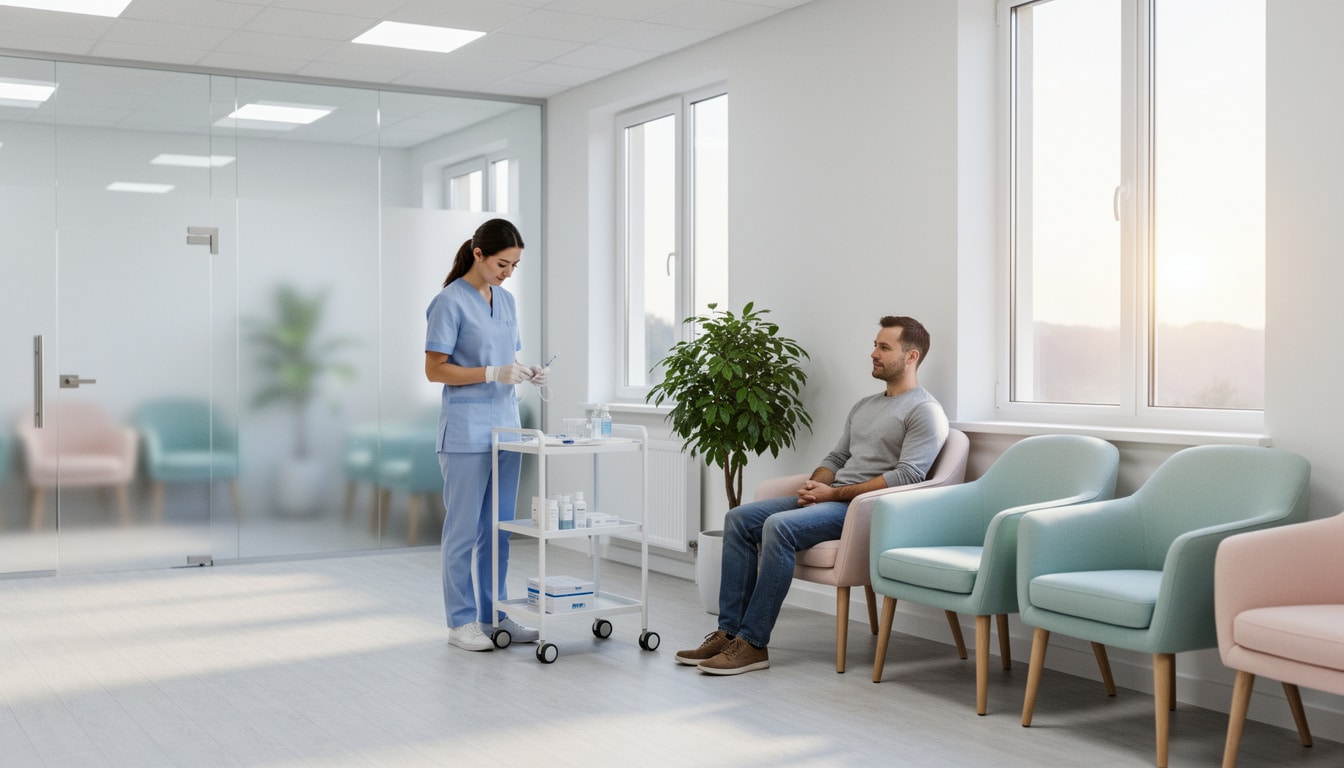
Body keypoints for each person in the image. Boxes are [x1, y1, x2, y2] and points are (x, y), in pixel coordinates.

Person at [675, 315, 949, 675]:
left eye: (884, 347)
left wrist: (833, 496)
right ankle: (729, 634)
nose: (873, 353)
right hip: (833, 499)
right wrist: (816, 484)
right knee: (738, 518)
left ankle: (754, 644)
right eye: (875, 345)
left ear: (911, 357)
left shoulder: (924, 411)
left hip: (863, 510)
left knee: (779, 527)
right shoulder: (864, 406)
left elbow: (908, 476)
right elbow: (836, 457)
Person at [424, 218, 549, 652]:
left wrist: (524, 370)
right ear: (478, 254)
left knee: (497, 531)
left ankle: (493, 615)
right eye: (502, 263)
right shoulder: (449, 302)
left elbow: (505, 354)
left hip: (505, 428)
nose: (507, 272)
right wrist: (491, 372)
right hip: (465, 432)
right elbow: (434, 369)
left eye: (514, 265)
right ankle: (461, 622)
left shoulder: (507, 301)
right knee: (462, 532)